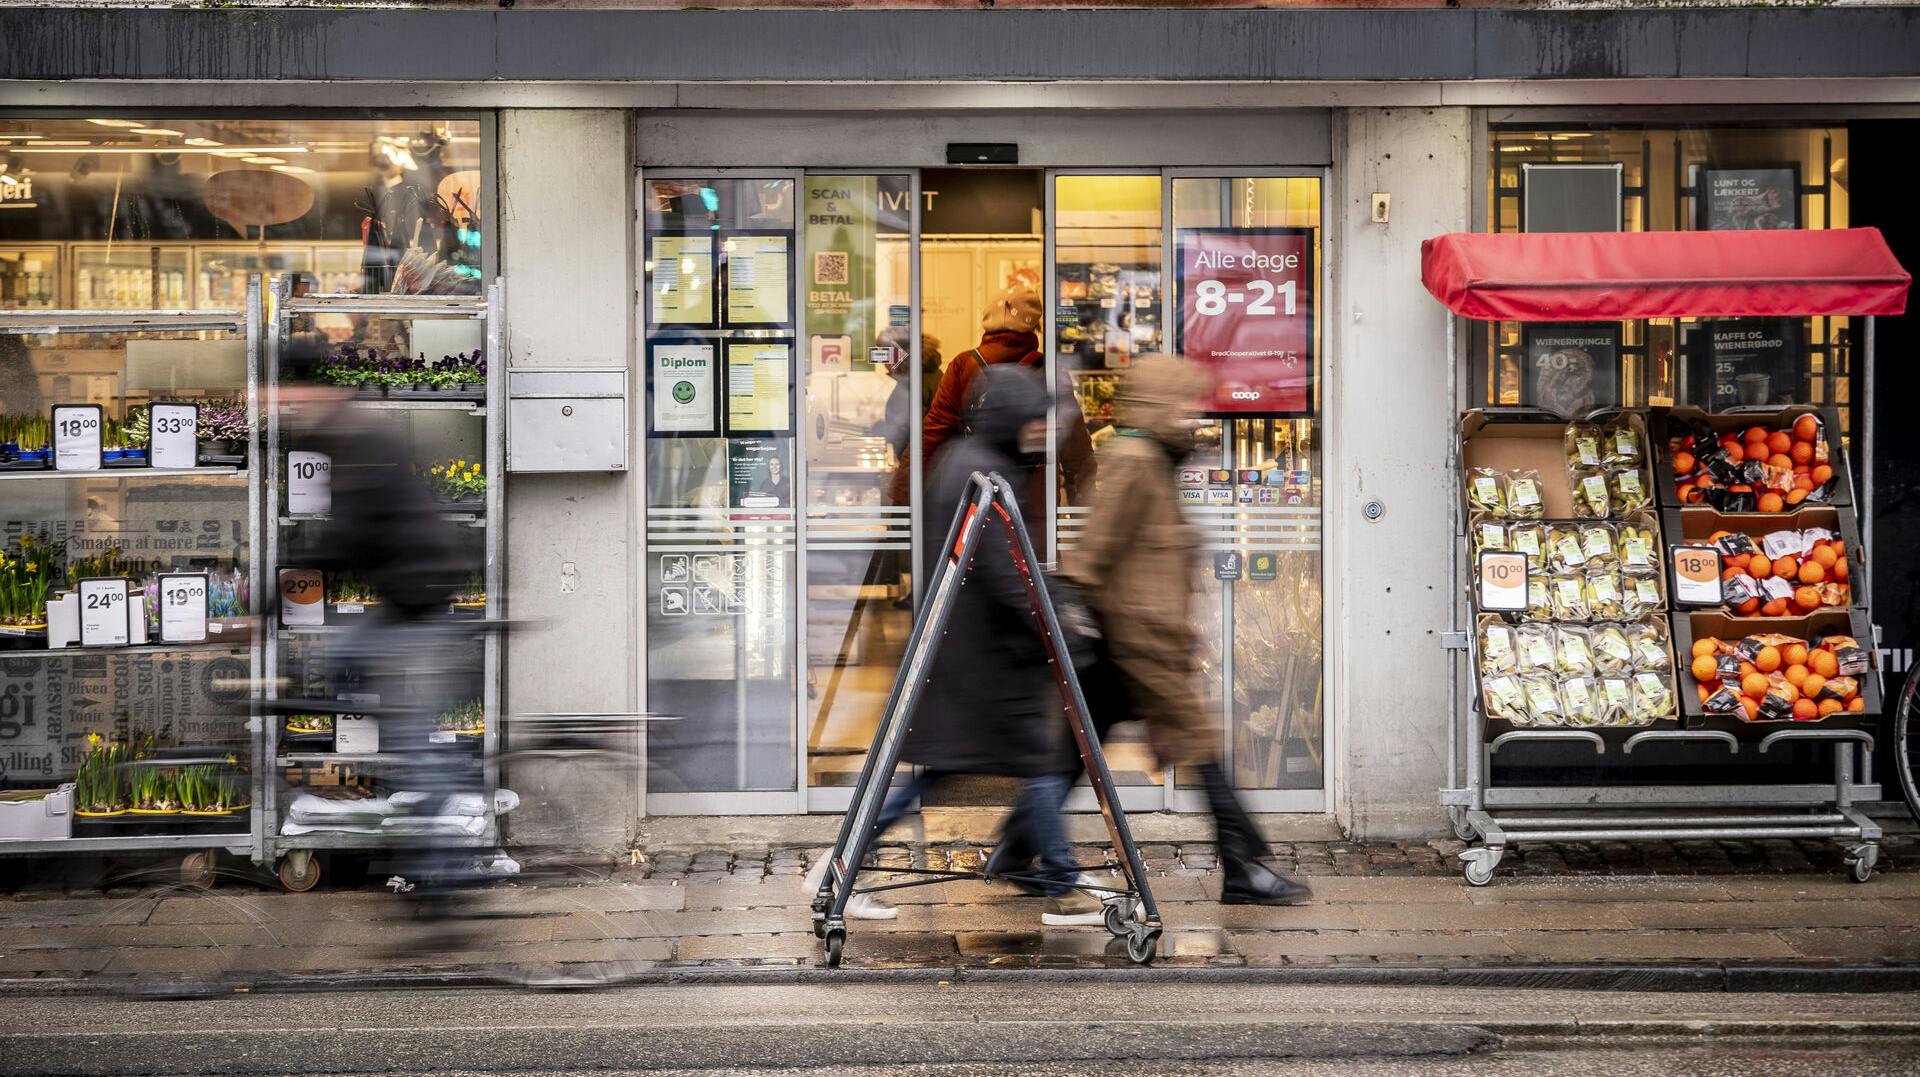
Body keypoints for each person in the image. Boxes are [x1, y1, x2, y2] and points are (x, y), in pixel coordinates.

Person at [809, 364, 1104, 925]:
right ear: (1012, 418)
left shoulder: (963, 462)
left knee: (964, 768)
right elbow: (1005, 572)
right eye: (1034, 420)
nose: (1042, 430)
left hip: (965, 653)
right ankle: (1059, 884)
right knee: (1036, 763)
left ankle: (843, 862)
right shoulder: (986, 474)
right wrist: (1059, 624)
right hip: (984, 660)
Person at [1058, 355, 1311, 906]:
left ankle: (1018, 848)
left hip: (1150, 640)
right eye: (1183, 405)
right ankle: (1243, 868)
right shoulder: (1135, 461)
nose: (1192, 417)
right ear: (1156, 405)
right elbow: (1095, 553)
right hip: (1137, 643)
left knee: (1075, 753)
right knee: (1201, 748)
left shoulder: (1155, 461)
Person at [887, 287, 1094, 508]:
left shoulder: (964, 365)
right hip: (1034, 502)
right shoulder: (1050, 371)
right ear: (1035, 326)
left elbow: (933, 434)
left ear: (987, 320)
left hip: (976, 496)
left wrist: (903, 496)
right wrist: (1083, 506)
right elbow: (1075, 447)